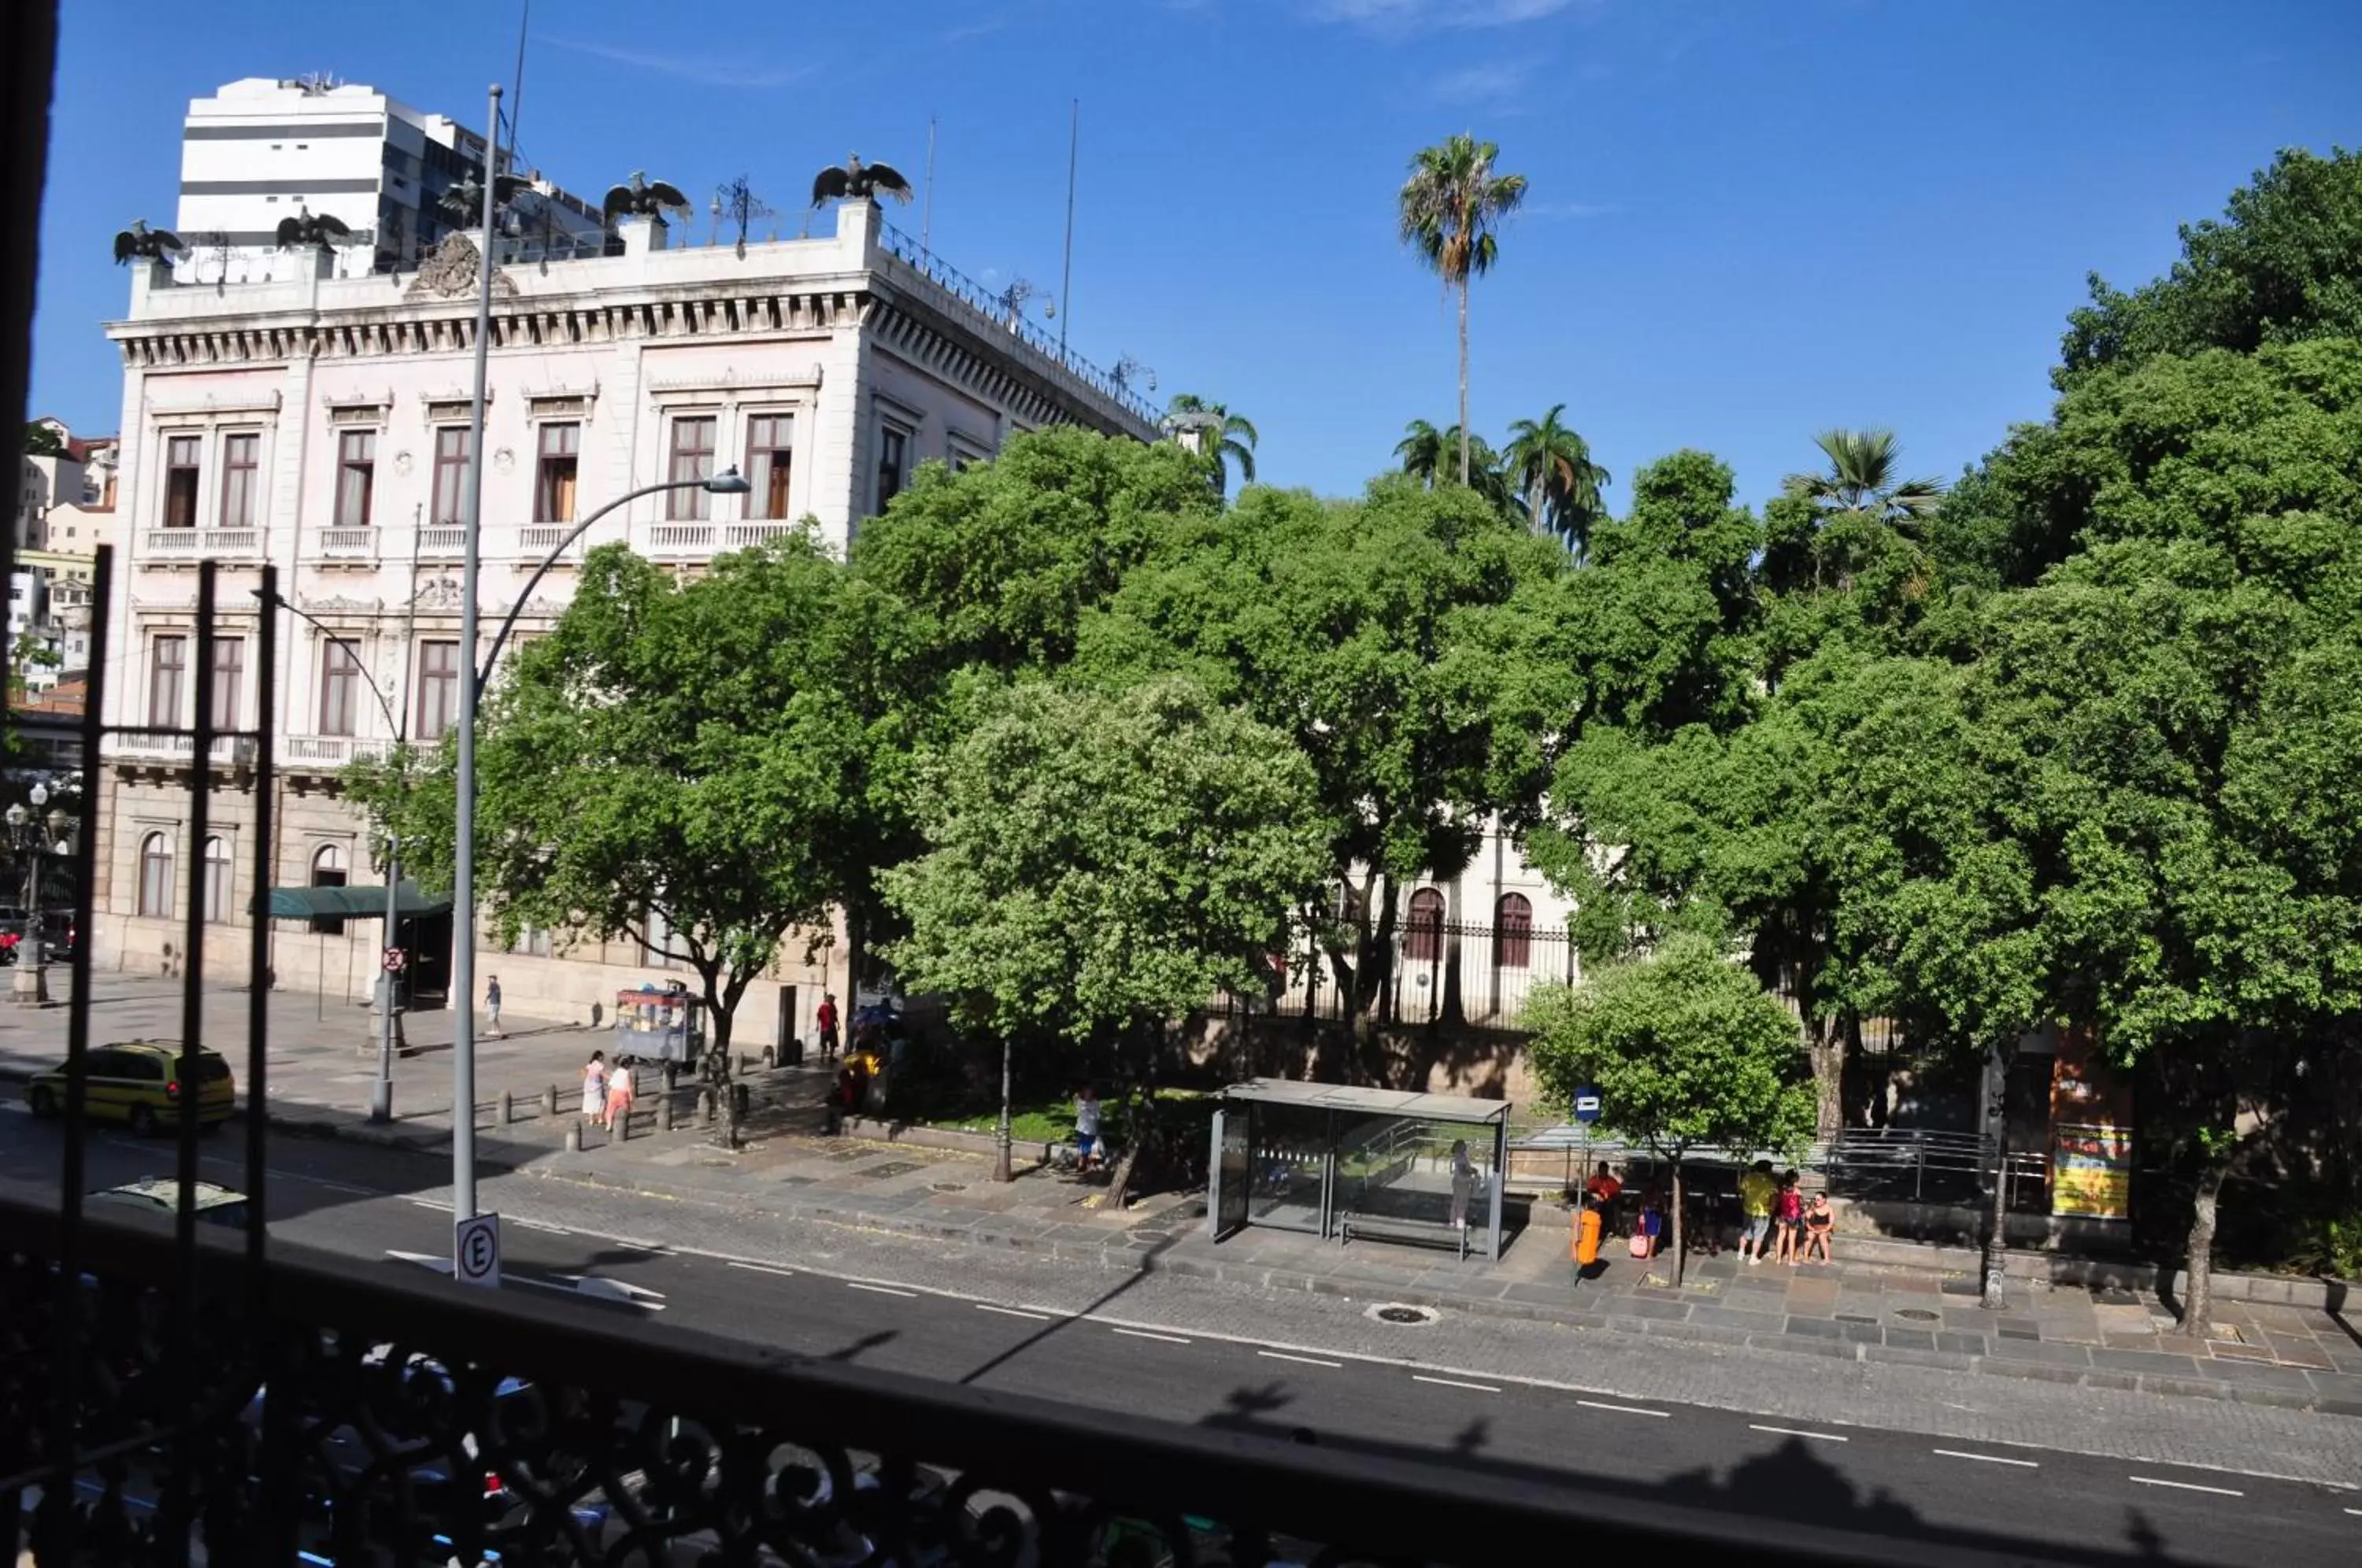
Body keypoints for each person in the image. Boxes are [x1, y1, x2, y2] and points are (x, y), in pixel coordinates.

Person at [1738, 1159, 1777, 1265]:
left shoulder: (1748, 1178)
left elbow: (1741, 1191)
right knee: (1759, 1236)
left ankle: (1741, 1252)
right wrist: (1771, 1210)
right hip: (1763, 1212)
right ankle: (1753, 1257)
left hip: (1748, 1209)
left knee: (1746, 1232)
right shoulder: (1770, 1183)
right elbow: (1773, 1198)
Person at [1775, 1170, 1805, 1265]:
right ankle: (1791, 1260)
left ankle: (1778, 1259)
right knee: (1792, 1238)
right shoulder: (1797, 1191)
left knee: (1780, 1236)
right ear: (1795, 1181)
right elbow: (1801, 1203)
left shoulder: (1781, 1190)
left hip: (1783, 1215)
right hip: (1794, 1215)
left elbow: (1778, 1201)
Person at [1449, 1139, 1477, 1230]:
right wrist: (1472, 1172)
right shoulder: (1460, 1157)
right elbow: (1462, 1170)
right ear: (1460, 1147)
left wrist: (1471, 1169)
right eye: (1463, 1145)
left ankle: (1453, 1221)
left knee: (1456, 1201)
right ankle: (1460, 1223)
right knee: (1463, 1203)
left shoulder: (1456, 1156)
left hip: (1457, 1181)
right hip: (1462, 1182)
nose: (1466, 1147)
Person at [1075, 1085, 1103, 1172]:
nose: (1088, 1095)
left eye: (1090, 1093)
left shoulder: (1096, 1103)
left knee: (1087, 1146)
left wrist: (1098, 1128)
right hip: (1082, 1128)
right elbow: (1075, 1097)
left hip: (1091, 1129)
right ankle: (1082, 1163)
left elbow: (1098, 1117)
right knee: (1082, 1145)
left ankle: (1083, 1163)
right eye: (1086, 1093)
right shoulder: (1080, 1102)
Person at [1803, 1190, 1835, 1264]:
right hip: (1814, 1228)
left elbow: (1831, 1224)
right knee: (1810, 1236)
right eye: (1815, 1199)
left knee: (1822, 1236)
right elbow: (1807, 1220)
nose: (1816, 1201)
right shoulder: (1813, 1208)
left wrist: (1824, 1230)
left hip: (1825, 1229)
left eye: (1818, 1200)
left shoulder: (1829, 1209)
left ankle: (1826, 1259)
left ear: (1824, 1200)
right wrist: (1810, 1228)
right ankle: (1805, 1257)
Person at [605, 1056, 635, 1133]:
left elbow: (611, 1083)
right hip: (623, 1093)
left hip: (613, 1092)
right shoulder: (627, 1073)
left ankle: (609, 1125)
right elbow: (629, 1086)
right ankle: (623, 1124)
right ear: (627, 1065)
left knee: (610, 1110)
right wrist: (631, 1097)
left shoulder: (616, 1072)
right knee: (625, 1109)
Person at [580, 1050, 607, 1125]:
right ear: (599, 1057)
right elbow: (603, 1074)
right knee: (602, 1102)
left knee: (590, 1103)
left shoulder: (590, 1064)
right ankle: (600, 1118)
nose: (604, 1058)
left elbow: (584, 1073)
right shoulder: (600, 1065)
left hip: (588, 1087)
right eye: (603, 1056)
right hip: (597, 1087)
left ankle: (591, 1120)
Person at [817, 993, 840, 1060]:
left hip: (832, 1027)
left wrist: (838, 1024)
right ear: (829, 999)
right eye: (833, 999)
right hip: (825, 1028)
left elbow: (835, 1016)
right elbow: (819, 1016)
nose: (834, 1000)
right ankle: (822, 1057)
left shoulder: (833, 1006)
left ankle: (831, 1056)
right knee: (823, 1043)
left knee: (833, 1043)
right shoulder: (823, 1007)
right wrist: (817, 1025)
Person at [484, 974, 504, 1039]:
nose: (489, 980)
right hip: (495, 1002)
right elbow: (493, 993)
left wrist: (486, 999)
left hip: (494, 1002)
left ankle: (496, 1031)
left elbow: (490, 993)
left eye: (490, 979)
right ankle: (494, 1030)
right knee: (494, 1017)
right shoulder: (496, 986)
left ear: (494, 979)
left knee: (494, 1017)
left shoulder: (493, 985)